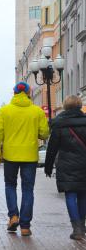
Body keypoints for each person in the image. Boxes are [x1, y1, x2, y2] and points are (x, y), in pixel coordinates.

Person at [0, 82, 49, 236]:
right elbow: (44, 133)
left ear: (14, 93)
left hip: (10, 156)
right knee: (28, 189)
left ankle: (13, 216)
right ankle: (25, 226)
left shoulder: (4, 111)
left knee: (10, 185)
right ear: (29, 93)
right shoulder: (37, 112)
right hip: (30, 156)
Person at [45, 95, 86, 240]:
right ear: (79, 105)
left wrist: (48, 166)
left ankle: (77, 229)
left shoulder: (59, 124)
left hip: (66, 165)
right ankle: (82, 225)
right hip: (84, 165)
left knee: (70, 195)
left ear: (65, 106)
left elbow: (52, 148)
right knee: (83, 195)